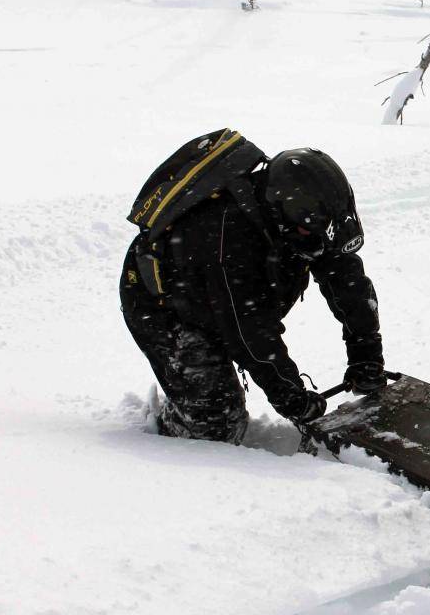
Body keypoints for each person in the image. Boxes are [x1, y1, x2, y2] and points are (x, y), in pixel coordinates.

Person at [120, 144, 385, 446]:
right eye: (308, 232)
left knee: (222, 388)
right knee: (216, 425)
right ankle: (167, 429)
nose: (318, 240)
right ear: (284, 214)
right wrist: (292, 398)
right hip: (162, 306)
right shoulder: (228, 238)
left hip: (218, 299)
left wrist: (366, 354)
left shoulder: (312, 226)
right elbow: (250, 332)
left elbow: (349, 286)